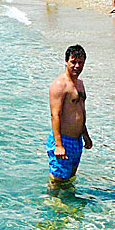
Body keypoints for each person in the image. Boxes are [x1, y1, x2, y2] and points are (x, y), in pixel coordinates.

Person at [47, 44, 92, 191]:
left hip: (76, 141)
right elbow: (55, 115)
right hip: (63, 140)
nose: (77, 66)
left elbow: (80, 111)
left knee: (69, 180)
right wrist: (59, 145)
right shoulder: (59, 85)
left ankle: (67, 207)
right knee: (57, 180)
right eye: (73, 62)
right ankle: (52, 205)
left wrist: (85, 135)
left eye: (80, 62)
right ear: (66, 61)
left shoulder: (80, 84)